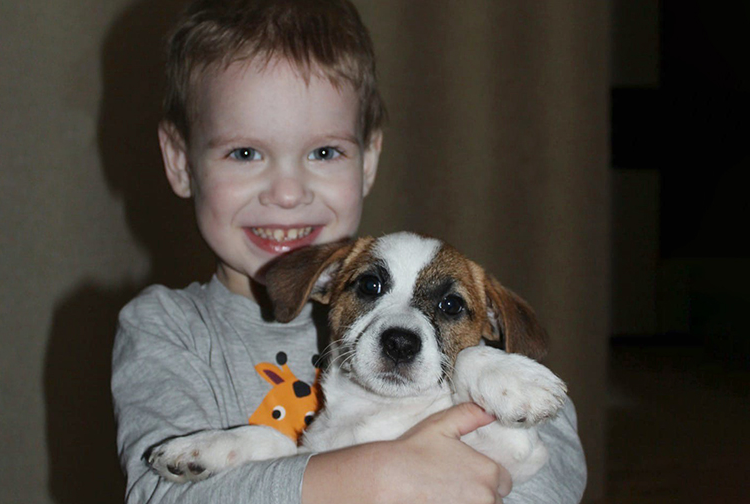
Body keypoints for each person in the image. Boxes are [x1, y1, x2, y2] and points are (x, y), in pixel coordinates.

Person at [111, 1, 587, 502]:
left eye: (324, 152)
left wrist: (480, 367)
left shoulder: (475, 375)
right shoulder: (165, 328)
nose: (287, 193)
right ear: (180, 162)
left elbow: (546, 455)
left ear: (368, 160)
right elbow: (161, 495)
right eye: (245, 152)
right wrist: (379, 475)